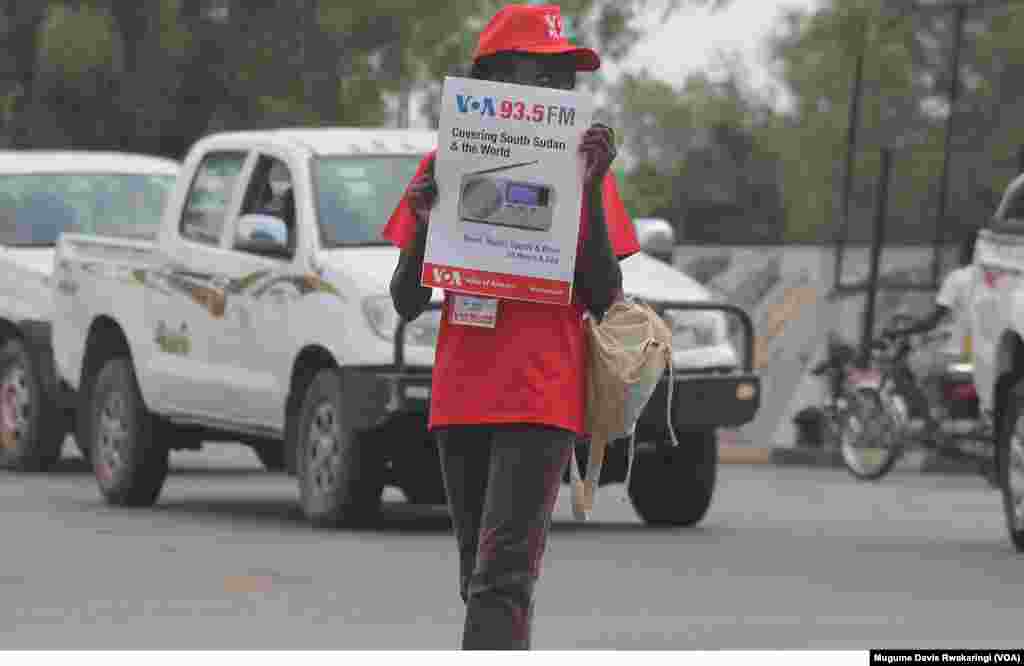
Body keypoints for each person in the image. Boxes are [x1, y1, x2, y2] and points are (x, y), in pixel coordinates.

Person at [382, 4, 639, 650]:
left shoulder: (585, 168)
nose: (556, 87)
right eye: (543, 70)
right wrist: (421, 230)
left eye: (565, 75)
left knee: (502, 579)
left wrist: (591, 188)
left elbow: (606, 293)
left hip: (542, 397)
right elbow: (406, 300)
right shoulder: (446, 162)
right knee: (481, 580)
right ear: (496, 77)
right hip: (462, 396)